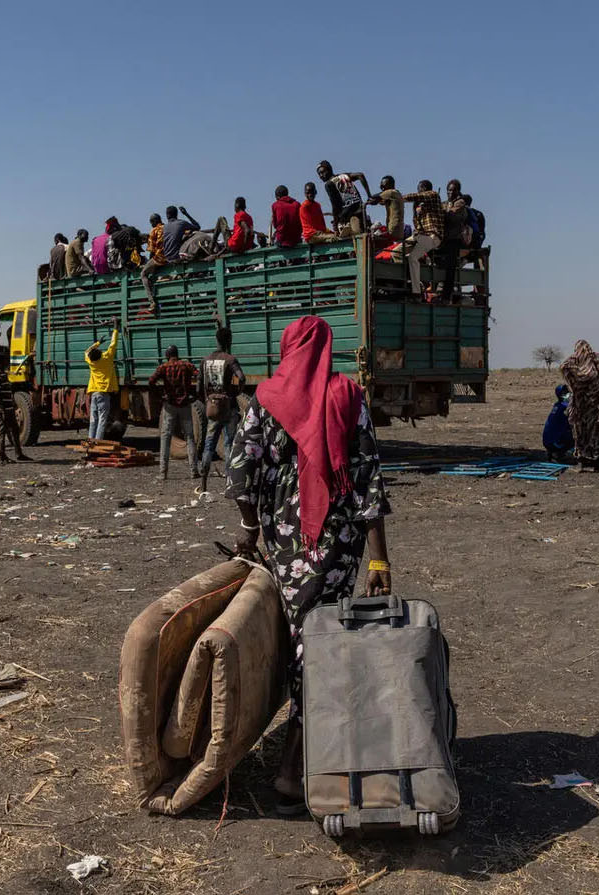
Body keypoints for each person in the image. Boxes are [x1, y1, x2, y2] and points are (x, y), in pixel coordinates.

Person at [227, 315, 391, 815]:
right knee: (322, 647)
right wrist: (379, 557)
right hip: (338, 546)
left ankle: (300, 762)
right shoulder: (348, 396)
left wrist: (251, 529)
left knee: (304, 644)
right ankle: (294, 770)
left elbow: (240, 470)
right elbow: (367, 477)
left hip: (285, 545)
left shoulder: (265, 399)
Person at [559, 340, 599, 471]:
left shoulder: (572, 361)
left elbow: (562, 367)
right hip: (595, 403)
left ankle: (581, 463)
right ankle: (597, 464)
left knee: (581, 432)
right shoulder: (596, 359)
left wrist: (574, 384)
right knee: (597, 432)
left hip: (580, 403)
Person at [198, 326, 246, 492]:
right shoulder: (230, 359)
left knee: (209, 445)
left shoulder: (206, 360)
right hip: (228, 407)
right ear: (229, 341)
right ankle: (228, 482)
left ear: (216, 340)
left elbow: (199, 386)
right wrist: (235, 392)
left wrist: (207, 400)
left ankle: (203, 483)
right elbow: (241, 378)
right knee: (228, 445)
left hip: (212, 407)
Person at [147, 345, 200, 480]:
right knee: (190, 437)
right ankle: (194, 470)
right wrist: (194, 394)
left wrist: (160, 395)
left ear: (167, 355)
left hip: (169, 405)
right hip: (185, 405)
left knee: (166, 437)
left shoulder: (163, 367)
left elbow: (151, 381)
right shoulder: (186, 365)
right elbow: (199, 375)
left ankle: (163, 472)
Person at [401, 180, 445, 295]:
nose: (418, 191)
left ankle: (416, 291)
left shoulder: (433, 195)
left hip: (433, 236)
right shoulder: (418, 205)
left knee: (413, 257)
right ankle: (407, 279)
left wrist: (398, 198)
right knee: (396, 253)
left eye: (419, 188)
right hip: (420, 236)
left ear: (424, 188)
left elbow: (417, 196)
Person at [0, 354, 31, 462]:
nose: (7, 363)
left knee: (14, 430)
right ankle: (2, 455)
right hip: (3, 409)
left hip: (8, 408)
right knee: (2, 431)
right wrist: (3, 409)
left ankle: (18, 454)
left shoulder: (3, 373)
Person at [316, 160, 371, 236]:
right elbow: (360, 175)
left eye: (322, 172)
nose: (321, 176)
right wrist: (369, 195)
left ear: (329, 170)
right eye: (319, 174)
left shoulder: (329, 184)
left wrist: (335, 226)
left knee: (351, 235)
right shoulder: (343, 176)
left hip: (348, 216)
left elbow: (335, 206)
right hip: (360, 210)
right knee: (363, 231)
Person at [86, 321, 120, 440]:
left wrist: (97, 343)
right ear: (101, 354)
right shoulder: (107, 358)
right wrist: (115, 329)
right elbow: (113, 344)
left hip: (94, 393)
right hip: (104, 393)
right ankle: (98, 442)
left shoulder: (91, 362)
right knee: (102, 419)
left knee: (93, 419)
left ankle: (90, 441)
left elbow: (87, 352)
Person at [437, 180, 469, 302]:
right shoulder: (445, 203)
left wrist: (440, 212)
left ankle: (446, 297)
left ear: (458, 191)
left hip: (454, 240)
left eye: (453, 190)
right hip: (443, 239)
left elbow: (451, 216)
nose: (450, 192)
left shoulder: (460, 203)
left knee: (450, 269)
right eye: (449, 190)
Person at [367, 175, 406, 244]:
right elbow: (377, 201)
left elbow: (373, 197)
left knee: (370, 241)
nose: (381, 188)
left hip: (393, 230)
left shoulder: (391, 192)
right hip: (397, 230)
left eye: (383, 186)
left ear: (390, 185)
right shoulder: (395, 195)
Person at [140, 213, 167, 307]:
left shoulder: (154, 230)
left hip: (159, 258)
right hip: (169, 256)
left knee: (143, 274)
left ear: (154, 221)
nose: (151, 224)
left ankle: (151, 301)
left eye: (151, 222)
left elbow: (151, 251)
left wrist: (148, 263)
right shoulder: (167, 227)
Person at [542, 384, 574, 461]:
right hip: (554, 443)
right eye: (565, 392)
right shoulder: (565, 407)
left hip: (547, 442)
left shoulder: (557, 405)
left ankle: (552, 452)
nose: (568, 394)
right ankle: (558, 454)